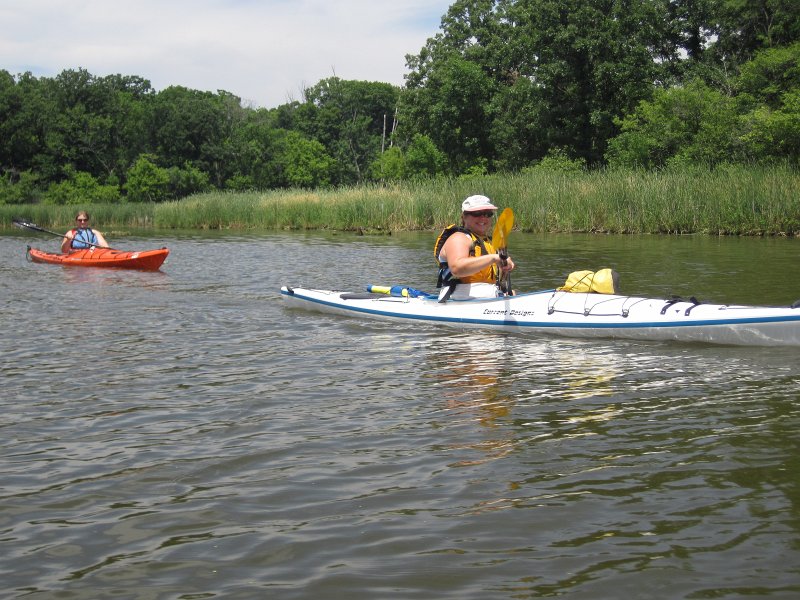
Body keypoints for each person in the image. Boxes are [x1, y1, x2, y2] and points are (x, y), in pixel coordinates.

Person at [434, 195, 515, 301]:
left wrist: (505, 268)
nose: (483, 218)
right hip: (459, 301)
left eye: (488, 214)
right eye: (476, 214)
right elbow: (457, 269)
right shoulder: (459, 237)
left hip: (491, 299)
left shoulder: (490, 243)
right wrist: (494, 258)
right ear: (464, 217)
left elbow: (495, 279)